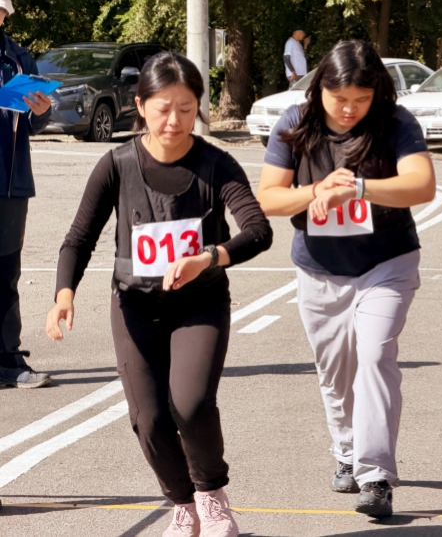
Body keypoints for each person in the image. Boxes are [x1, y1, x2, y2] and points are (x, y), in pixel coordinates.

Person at [46, 52, 273, 537]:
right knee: (148, 418)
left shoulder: (217, 163)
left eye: (187, 109)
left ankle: (212, 496)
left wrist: (208, 258)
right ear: (141, 105)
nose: (175, 120)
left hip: (199, 303)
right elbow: (78, 237)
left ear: (198, 108)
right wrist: (64, 293)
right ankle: (182, 504)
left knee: (189, 404)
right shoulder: (118, 164)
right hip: (135, 306)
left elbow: (257, 231)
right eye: (164, 107)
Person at [257, 40, 436, 519]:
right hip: (319, 268)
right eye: (341, 99)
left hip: (387, 263)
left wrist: (356, 187)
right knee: (335, 371)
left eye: (362, 98)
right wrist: (317, 190)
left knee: (375, 355)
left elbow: (422, 184)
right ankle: (347, 450)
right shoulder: (295, 123)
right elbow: (269, 199)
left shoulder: (396, 124)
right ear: (321, 91)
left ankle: (375, 475)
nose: (351, 109)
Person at [0, 0, 54, 389]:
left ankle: (9, 361)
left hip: (11, 183)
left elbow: (36, 123)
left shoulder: (20, 60)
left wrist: (42, 108)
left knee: (6, 272)